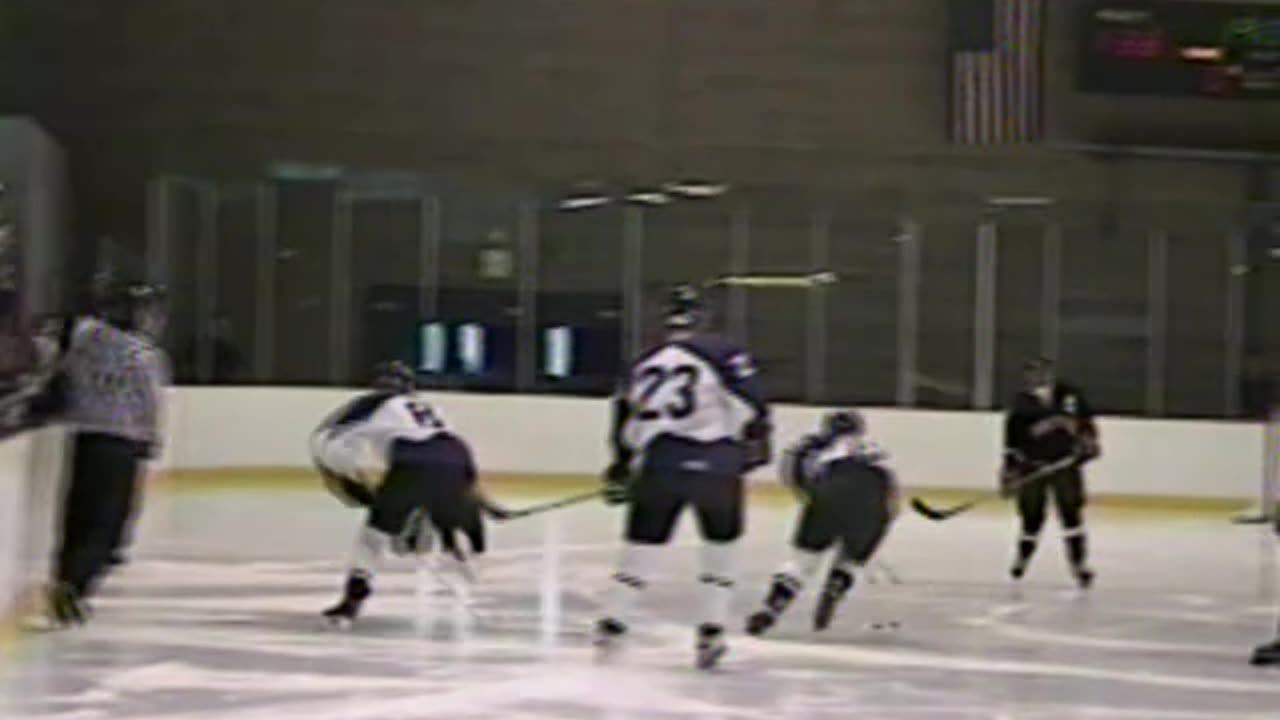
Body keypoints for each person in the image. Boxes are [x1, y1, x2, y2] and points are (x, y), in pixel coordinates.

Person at [594, 284, 772, 670]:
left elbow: (623, 420)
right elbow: (754, 404)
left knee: (639, 552)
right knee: (720, 555)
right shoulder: (724, 352)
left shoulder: (644, 361)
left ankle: (612, 625)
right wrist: (755, 448)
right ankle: (711, 632)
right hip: (716, 466)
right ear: (704, 319)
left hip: (660, 464)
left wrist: (621, 466)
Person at [312, 361, 485, 628]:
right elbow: (447, 450)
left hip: (415, 461)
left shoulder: (371, 403)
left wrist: (351, 481)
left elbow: (327, 437)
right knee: (450, 525)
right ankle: (465, 573)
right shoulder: (430, 407)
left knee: (373, 536)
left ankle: (352, 600)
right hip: (458, 457)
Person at [47, 282, 169, 627]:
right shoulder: (146, 355)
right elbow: (149, 403)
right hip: (122, 443)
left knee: (76, 514)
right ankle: (77, 583)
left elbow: (64, 368)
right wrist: (151, 441)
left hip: (85, 436)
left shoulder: (88, 337)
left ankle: (65, 576)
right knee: (106, 524)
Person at [746, 410, 898, 635]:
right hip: (875, 500)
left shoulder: (813, 446)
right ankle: (837, 583)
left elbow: (796, 476)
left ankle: (772, 607)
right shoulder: (872, 446)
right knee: (851, 559)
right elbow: (890, 489)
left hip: (831, 491)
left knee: (801, 562)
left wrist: (813, 501)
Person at [1002, 357, 1100, 588]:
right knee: (1031, 519)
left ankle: (1079, 566)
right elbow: (1011, 443)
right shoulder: (1021, 404)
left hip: (1065, 466)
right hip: (1033, 467)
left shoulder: (1071, 396)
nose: (1035, 377)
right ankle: (1022, 559)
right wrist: (1010, 471)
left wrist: (1089, 442)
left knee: (1071, 516)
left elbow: (1086, 426)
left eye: (1040, 372)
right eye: (1031, 373)